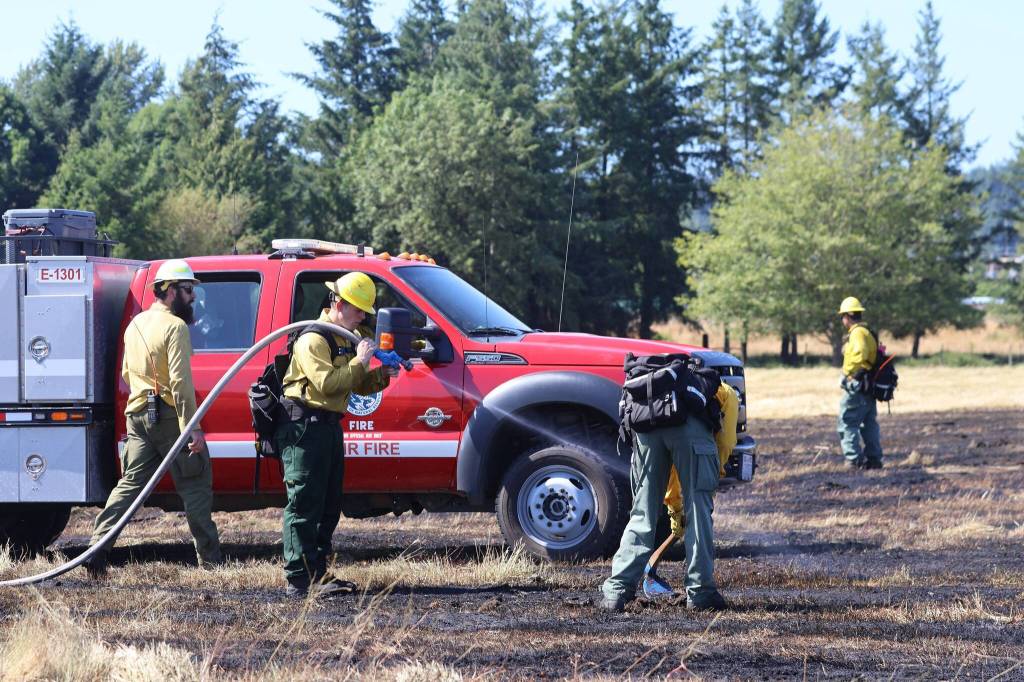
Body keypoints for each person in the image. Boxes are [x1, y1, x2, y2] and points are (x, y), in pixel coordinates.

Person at [84, 259, 221, 578]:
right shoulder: (175, 327)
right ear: (170, 291)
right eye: (188, 290)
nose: (193, 297)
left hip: (138, 414)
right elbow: (181, 384)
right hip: (171, 415)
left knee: (130, 484)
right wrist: (193, 428)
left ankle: (96, 549)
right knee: (196, 483)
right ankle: (211, 562)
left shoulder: (136, 324)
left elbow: (126, 373)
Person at [276, 272, 397, 599]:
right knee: (304, 503)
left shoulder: (345, 338)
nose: (363, 318)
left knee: (328, 504)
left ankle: (319, 573)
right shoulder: (313, 339)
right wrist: (360, 360)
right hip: (305, 429)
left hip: (327, 427)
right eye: (359, 311)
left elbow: (354, 383)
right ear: (339, 303)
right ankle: (299, 579)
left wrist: (382, 375)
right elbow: (328, 384)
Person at [601, 366, 726, 612]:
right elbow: (727, 442)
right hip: (690, 429)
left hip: (646, 427)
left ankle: (616, 591)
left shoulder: (646, 387)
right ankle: (701, 593)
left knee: (642, 512)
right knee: (698, 511)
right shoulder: (724, 392)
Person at [836, 296, 883, 469]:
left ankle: (853, 460)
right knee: (868, 423)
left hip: (857, 385)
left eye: (842, 316)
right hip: (868, 385)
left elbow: (860, 353)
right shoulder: (866, 331)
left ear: (847, 316)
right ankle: (874, 459)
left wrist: (848, 373)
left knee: (847, 422)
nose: (842, 320)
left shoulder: (857, 333)